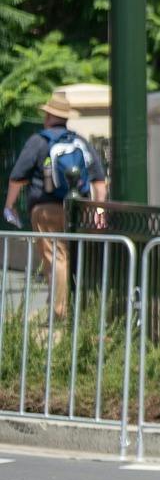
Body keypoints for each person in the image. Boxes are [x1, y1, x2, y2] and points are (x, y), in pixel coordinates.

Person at [3, 91, 109, 320]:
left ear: (49, 116)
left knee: (56, 257)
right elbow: (99, 182)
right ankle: (74, 307)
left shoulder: (39, 141)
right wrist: (100, 211)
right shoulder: (80, 141)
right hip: (79, 210)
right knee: (71, 256)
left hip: (46, 209)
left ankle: (60, 312)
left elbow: (17, 177)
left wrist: (10, 205)